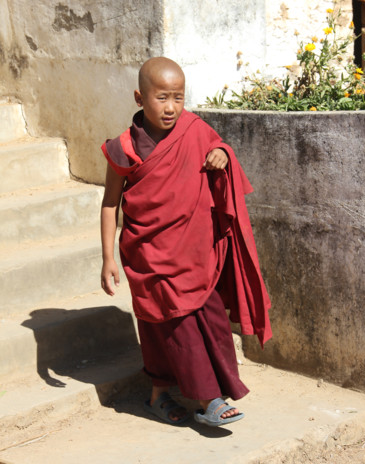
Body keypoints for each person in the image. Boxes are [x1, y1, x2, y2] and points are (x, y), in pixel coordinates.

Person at [100, 57, 272, 427]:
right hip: (149, 253)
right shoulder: (122, 149)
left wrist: (222, 154)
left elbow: (220, 146)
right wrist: (107, 257)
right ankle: (205, 399)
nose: (171, 107)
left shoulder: (194, 129)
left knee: (209, 320)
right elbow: (110, 203)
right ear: (139, 97)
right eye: (162, 97)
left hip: (195, 252)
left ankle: (175, 395)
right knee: (168, 326)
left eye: (178, 98)